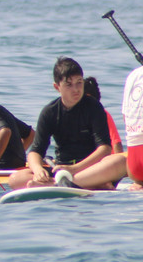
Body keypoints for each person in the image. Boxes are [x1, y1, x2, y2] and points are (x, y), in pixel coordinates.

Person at [8, 57, 113, 189]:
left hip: (89, 168)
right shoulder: (50, 112)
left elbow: (105, 148)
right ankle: (75, 184)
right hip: (61, 169)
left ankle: (61, 184)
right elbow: (35, 151)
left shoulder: (94, 107)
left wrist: (74, 169)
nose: (76, 89)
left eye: (79, 82)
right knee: (15, 179)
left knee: (119, 161)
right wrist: (38, 170)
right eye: (69, 84)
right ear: (57, 87)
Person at [84, 77, 124, 153]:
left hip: (106, 160)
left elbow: (116, 143)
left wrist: (118, 162)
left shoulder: (103, 114)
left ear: (88, 97)